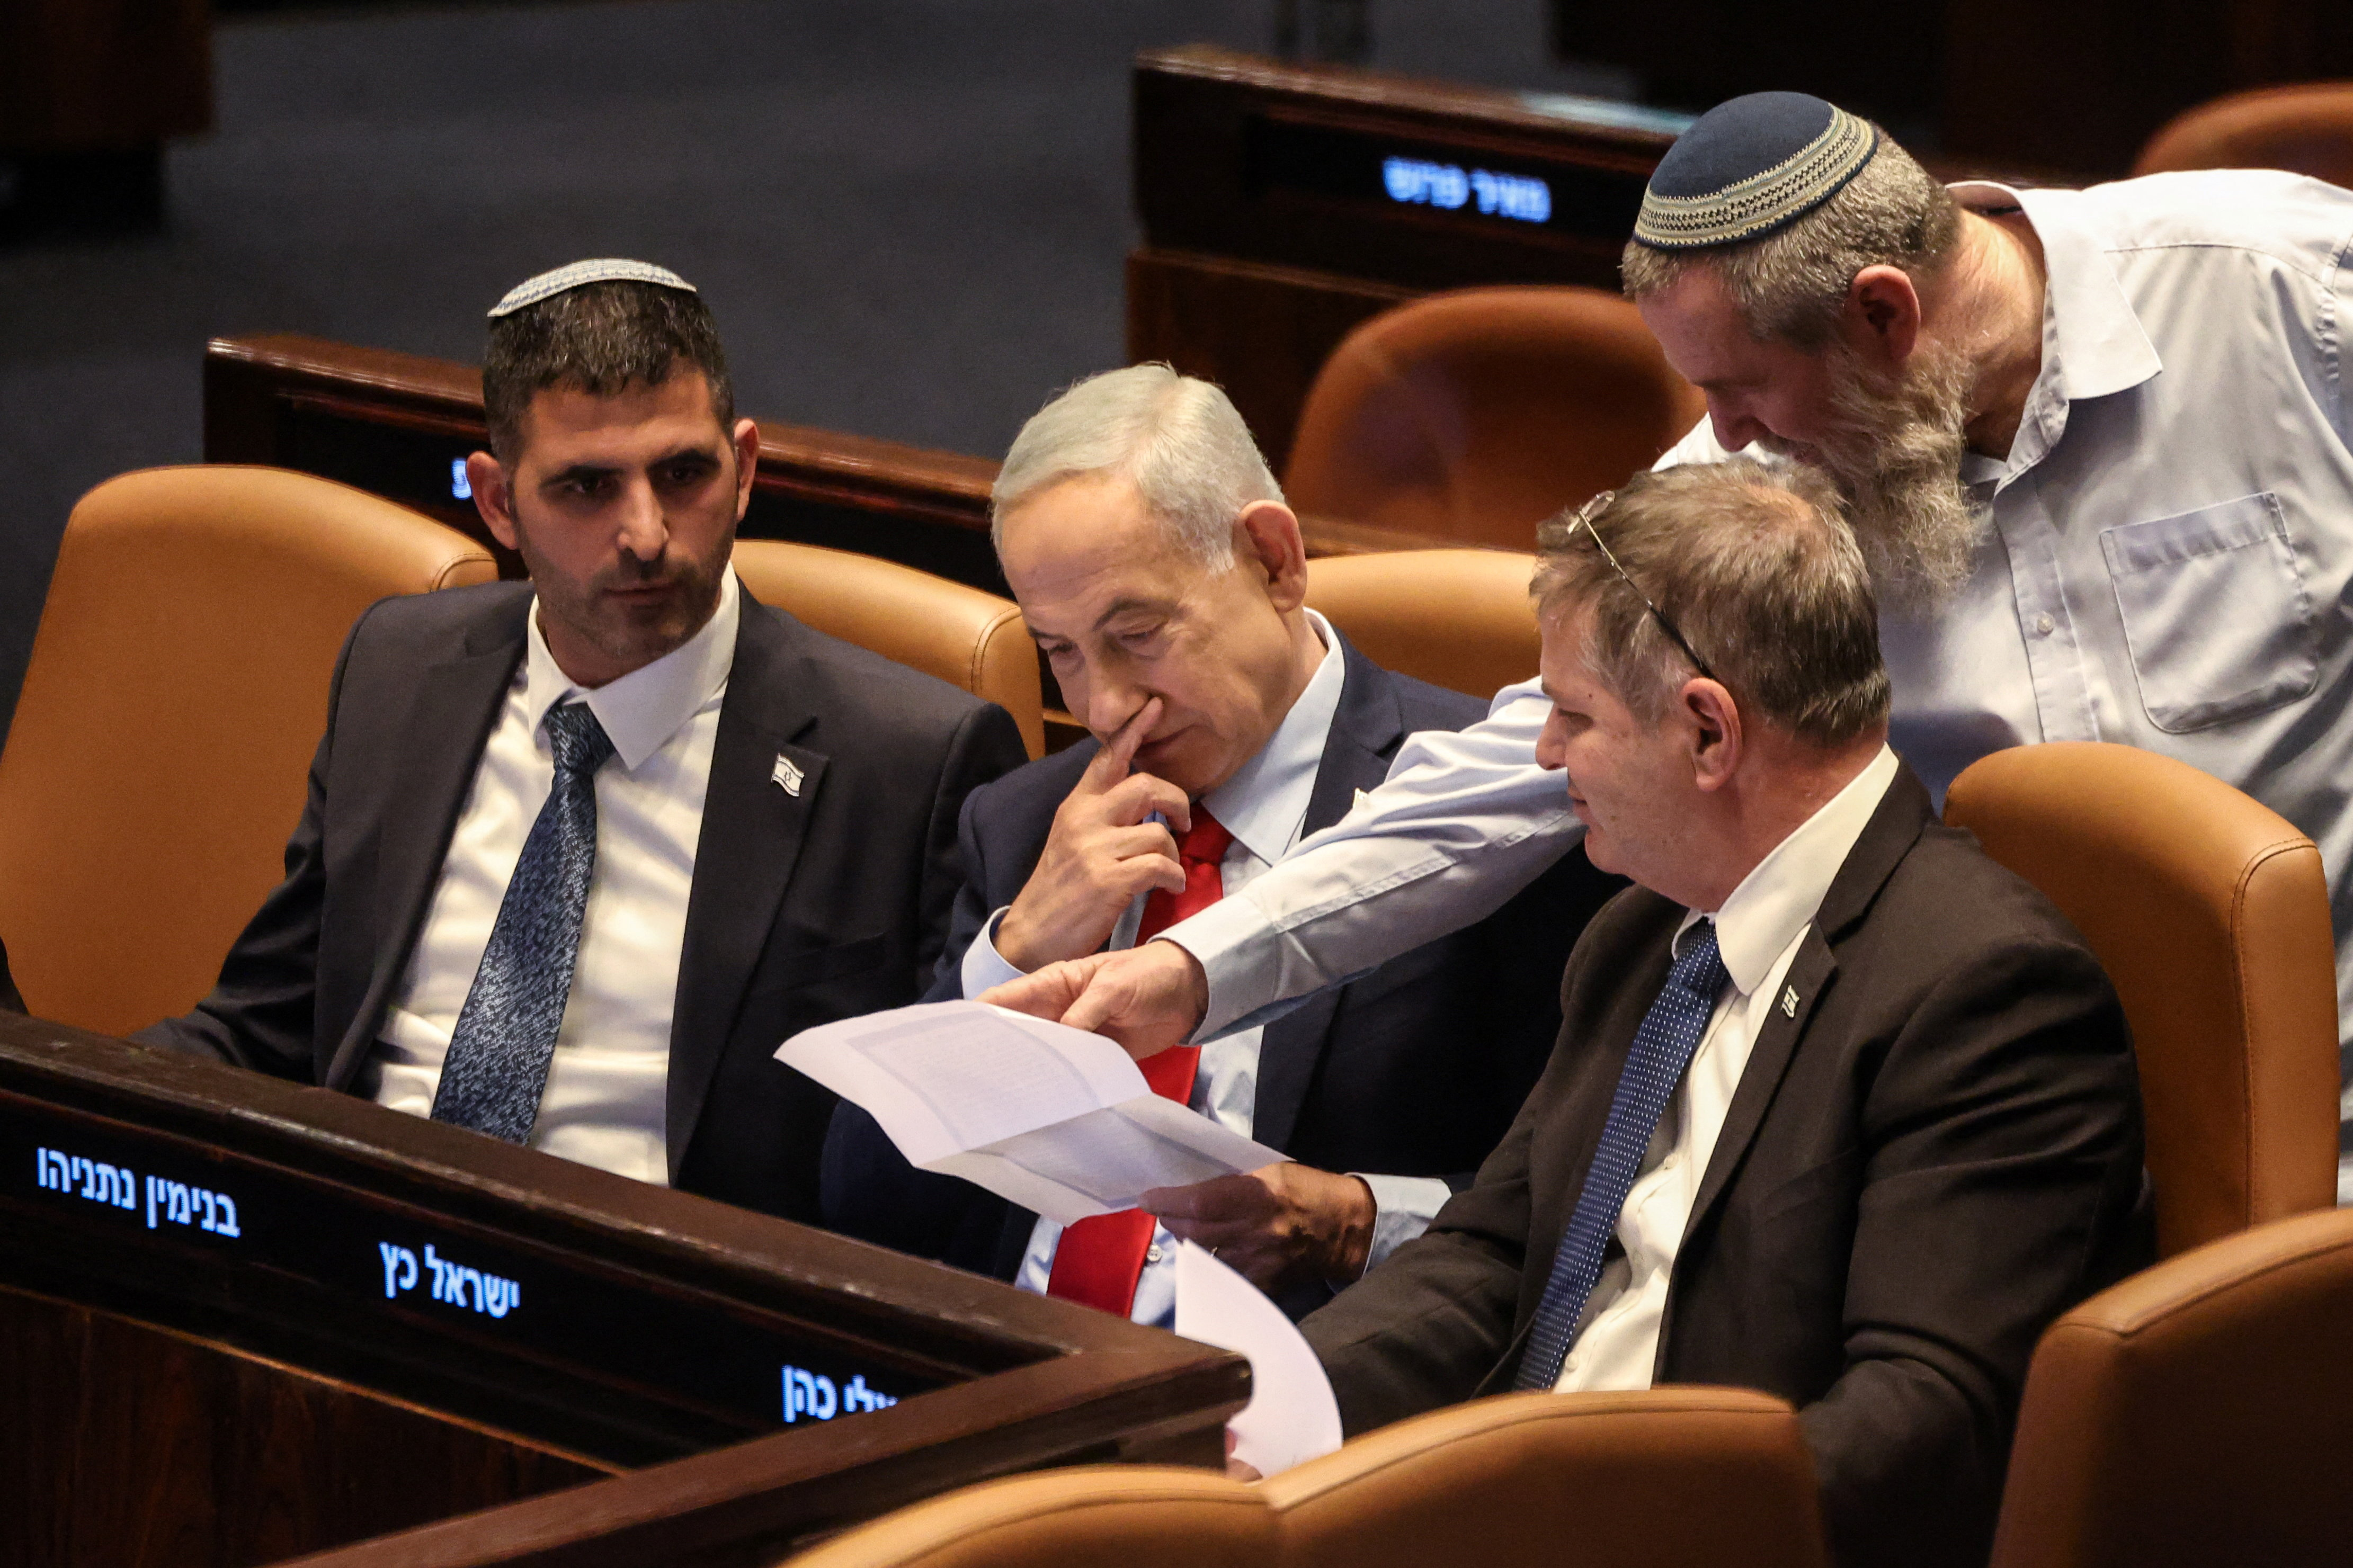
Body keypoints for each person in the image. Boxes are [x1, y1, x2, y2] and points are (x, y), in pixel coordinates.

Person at [986, 91, 2353, 1196]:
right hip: (2000, 1119)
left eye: (1743, 389)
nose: (1727, 439)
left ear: (1886, 313)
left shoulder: (2284, 288)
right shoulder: (1754, 480)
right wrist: (1195, 966)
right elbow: (1511, 778)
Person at [1297, 460, 2146, 1568]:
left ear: (1708, 732)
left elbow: (1923, 1424)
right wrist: (1273, 1399)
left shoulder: (1984, 992)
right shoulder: (1643, 934)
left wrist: (1588, 1522)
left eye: (1570, 714)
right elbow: (1498, 1255)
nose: (1548, 754)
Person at [139, 258, 1028, 1224]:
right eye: (586, 488)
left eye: (683, 474)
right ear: (496, 503)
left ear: (746, 471)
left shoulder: (908, 761)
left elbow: (936, 1174)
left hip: (659, 1301)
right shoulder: (398, 670)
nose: (645, 534)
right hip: (364, 1249)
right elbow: (267, 1025)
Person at [822, 365, 1616, 1323]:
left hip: (1300, 1404)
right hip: (1013, 1376)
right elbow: (863, 1210)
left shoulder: (1506, 812)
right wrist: (1018, 947)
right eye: (1062, 651)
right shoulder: (1027, 824)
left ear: (1273, 559)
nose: (1105, 705)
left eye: (1137, 632)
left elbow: (1588, 1211)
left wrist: (1360, 1221)